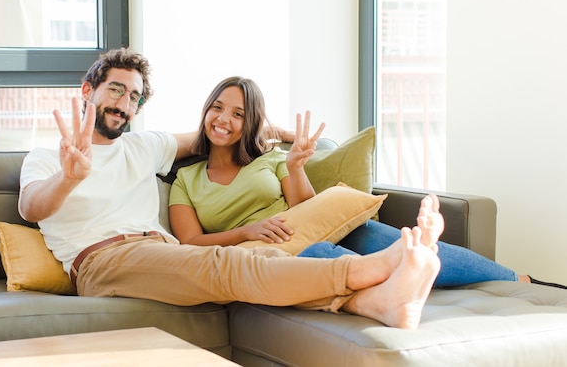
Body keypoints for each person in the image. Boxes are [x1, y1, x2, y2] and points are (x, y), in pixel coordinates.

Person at [18, 47, 443, 331]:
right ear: (88, 90)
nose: (124, 103)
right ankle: (372, 268)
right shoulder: (47, 156)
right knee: (224, 263)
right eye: (115, 89)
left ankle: (376, 304)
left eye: (134, 97)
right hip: (102, 260)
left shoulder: (146, 145)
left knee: (260, 259)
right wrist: (69, 177)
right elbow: (31, 207)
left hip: (165, 251)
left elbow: (213, 133)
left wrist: (283, 136)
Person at [169, 76, 565, 289]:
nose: (224, 119)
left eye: (238, 114)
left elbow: (308, 206)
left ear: (250, 122)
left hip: (323, 227)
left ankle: (524, 281)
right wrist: (246, 231)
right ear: (205, 111)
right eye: (217, 108)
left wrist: (295, 167)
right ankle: (395, 278)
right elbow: (189, 242)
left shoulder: (270, 158)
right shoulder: (185, 178)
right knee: (324, 256)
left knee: (413, 243)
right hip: (273, 253)